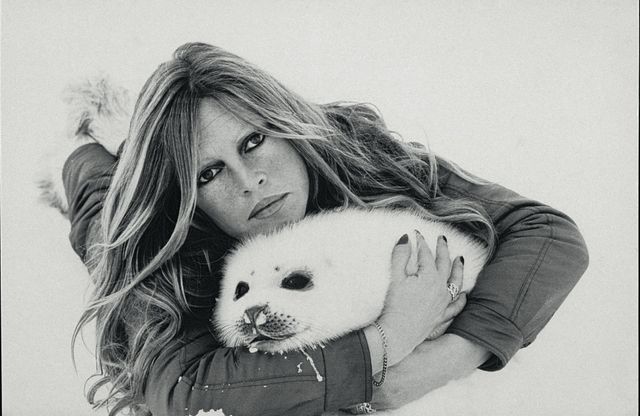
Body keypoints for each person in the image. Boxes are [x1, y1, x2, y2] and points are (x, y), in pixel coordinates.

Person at [62, 42, 589, 416]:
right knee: (97, 193)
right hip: (118, 211)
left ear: (285, 126)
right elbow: (184, 389)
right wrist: (386, 341)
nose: (250, 182)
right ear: (188, 198)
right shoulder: (155, 239)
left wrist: (450, 357)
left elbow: (546, 232)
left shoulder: (354, 151)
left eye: (253, 142)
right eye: (209, 173)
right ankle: (91, 144)